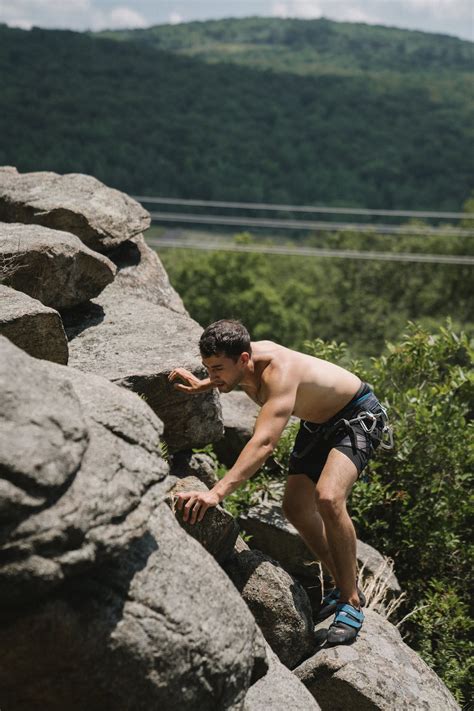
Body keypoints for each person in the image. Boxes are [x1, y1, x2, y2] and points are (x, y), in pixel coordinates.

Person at [168, 319, 391, 645]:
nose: (213, 375)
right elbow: (231, 379)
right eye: (207, 368)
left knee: (328, 498)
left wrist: (217, 492)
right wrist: (205, 383)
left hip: (357, 417)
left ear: (244, 359)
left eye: (217, 369)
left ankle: (351, 603)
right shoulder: (240, 362)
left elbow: (263, 443)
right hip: (318, 422)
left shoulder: (278, 373)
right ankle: (346, 584)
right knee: (296, 508)